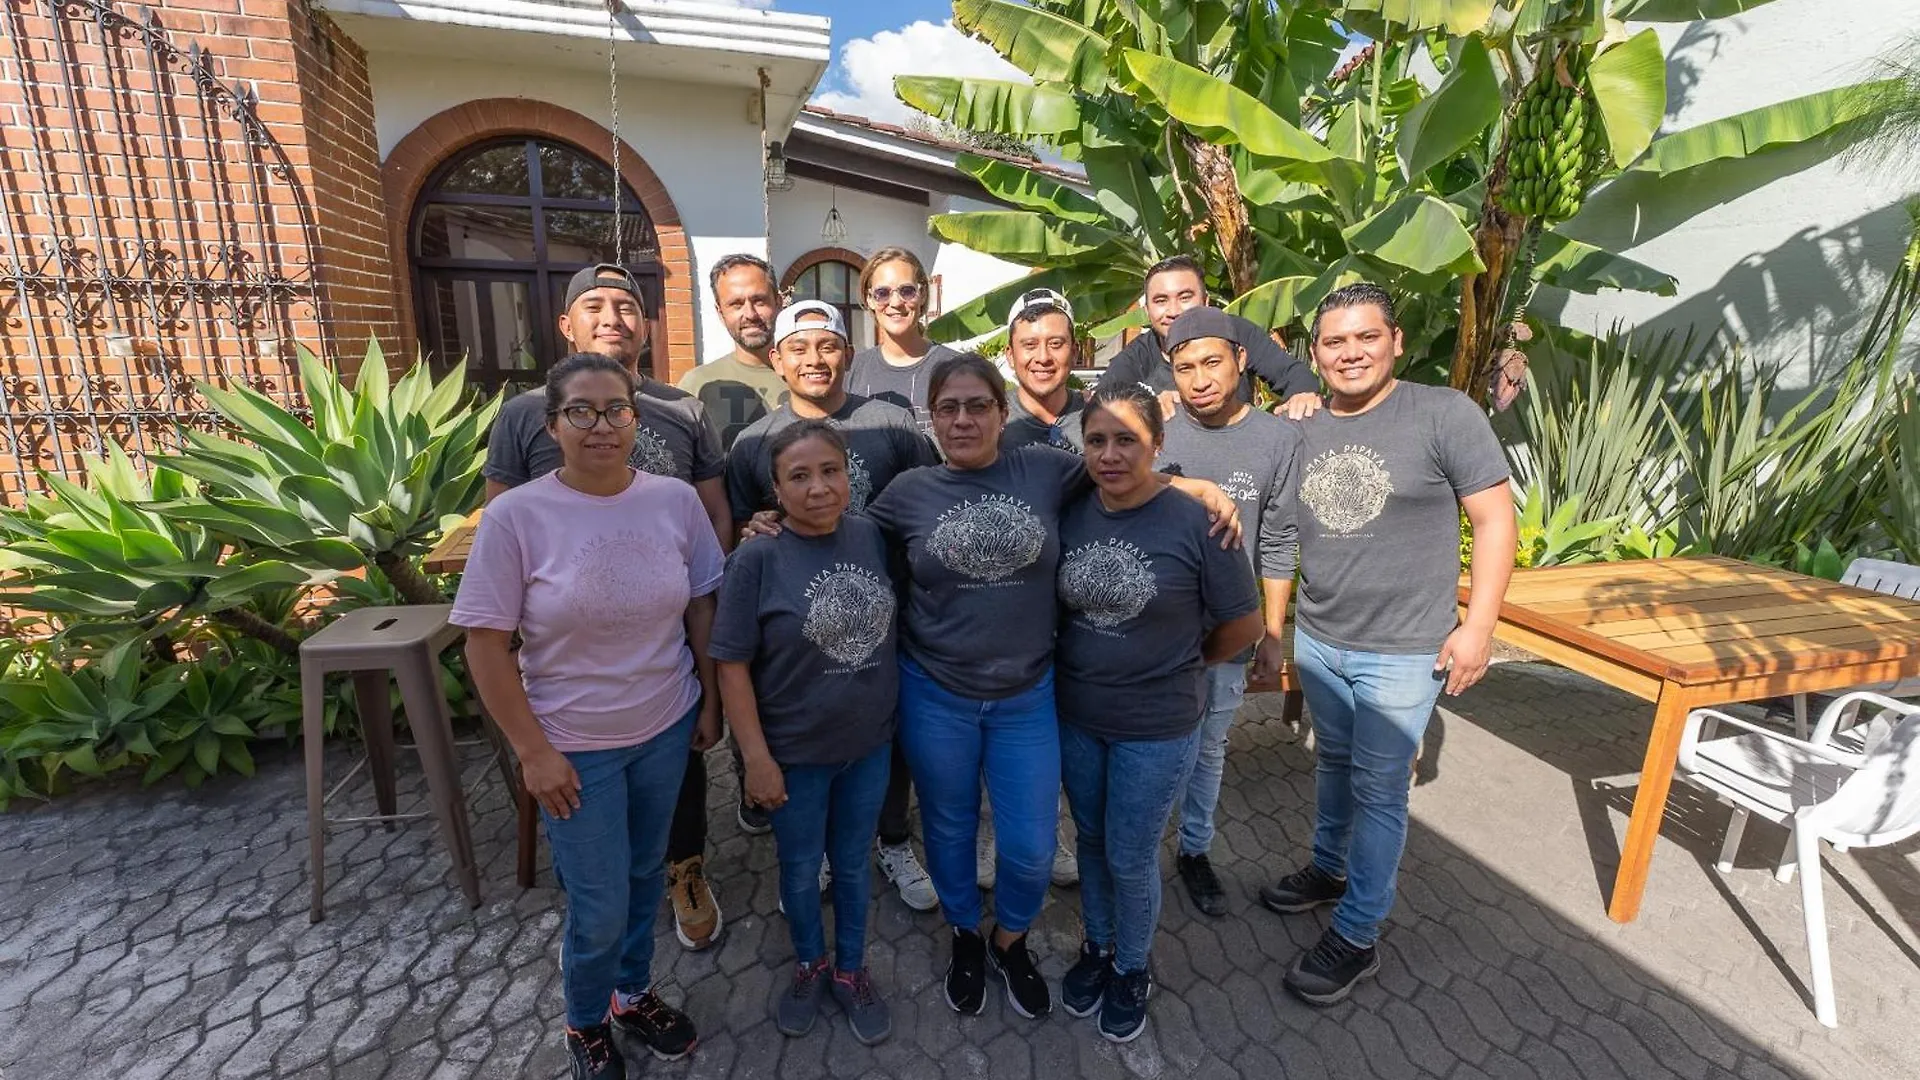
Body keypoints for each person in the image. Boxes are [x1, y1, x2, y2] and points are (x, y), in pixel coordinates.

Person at [862, 353, 1243, 1021]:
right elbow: (843, 533)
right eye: (948, 408)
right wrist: (771, 525)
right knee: (948, 828)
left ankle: (1010, 939)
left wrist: (1202, 487)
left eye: (978, 405)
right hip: (937, 693)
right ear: (932, 418)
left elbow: (1126, 475)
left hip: (1027, 697)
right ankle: (963, 936)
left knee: (1035, 844)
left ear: (1001, 414)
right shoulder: (908, 492)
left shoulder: (1044, 469)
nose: (962, 419)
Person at [454, 353, 722, 1080]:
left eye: (617, 411)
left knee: (643, 876)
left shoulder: (674, 501)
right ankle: (583, 1021)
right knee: (599, 902)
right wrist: (532, 753)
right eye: (583, 411)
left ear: (636, 420)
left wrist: (709, 699)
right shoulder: (517, 515)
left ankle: (632, 995)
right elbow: (484, 642)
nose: (601, 425)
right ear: (552, 425)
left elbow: (701, 602)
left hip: (665, 725)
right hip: (575, 747)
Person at [1257, 283, 1515, 1005]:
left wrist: (1479, 628)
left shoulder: (1443, 413)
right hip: (1324, 637)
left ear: (1395, 341)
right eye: (1334, 342)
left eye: (1365, 337)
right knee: (1332, 763)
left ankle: (1358, 933)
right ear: (1316, 355)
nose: (1351, 353)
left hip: (1404, 649)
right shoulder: (1301, 427)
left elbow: (1495, 523)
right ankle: (1327, 868)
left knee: (1378, 792)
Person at [481, 263, 731, 953]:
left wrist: (707, 593)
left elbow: (712, 512)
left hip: (668, 610)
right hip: (571, 627)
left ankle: (684, 869)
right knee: (590, 790)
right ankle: (602, 892)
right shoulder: (523, 413)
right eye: (594, 305)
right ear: (566, 324)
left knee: (680, 755)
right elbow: (498, 514)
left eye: (628, 305)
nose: (613, 316)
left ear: (648, 325)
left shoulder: (684, 408)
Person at [1055, 383, 1264, 1043]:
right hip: (1079, 714)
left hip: (1159, 721)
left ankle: (1132, 967)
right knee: (1090, 841)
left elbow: (1244, 624)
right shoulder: (1071, 508)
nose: (1110, 454)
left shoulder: (1198, 520)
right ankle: (1098, 945)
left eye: (1127, 440)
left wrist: (1188, 663)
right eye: (1097, 440)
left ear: (1158, 444)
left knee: (1130, 851)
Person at [727, 300, 942, 914]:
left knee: (886, 736)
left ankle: (893, 840)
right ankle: (816, 848)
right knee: (809, 750)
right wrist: (755, 526)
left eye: (827, 346)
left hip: (886, 616)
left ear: (848, 354)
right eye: (799, 348)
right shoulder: (752, 443)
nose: (814, 359)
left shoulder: (892, 424)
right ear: (777, 359)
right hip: (798, 636)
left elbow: (926, 504)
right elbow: (743, 526)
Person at [711, 420, 900, 1047]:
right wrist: (757, 759)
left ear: (849, 475)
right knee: (798, 871)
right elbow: (732, 665)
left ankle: (849, 968)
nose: (818, 488)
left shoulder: (872, 537)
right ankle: (808, 963)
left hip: (867, 747)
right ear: (775, 488)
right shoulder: (756, 557)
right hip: (794, 755)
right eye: (800, 476)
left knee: (851, 866)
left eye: (830, 471)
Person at [1151, 307, 1303, 919]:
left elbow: (1279, 538)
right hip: (1156, 627)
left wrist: (1271, 632)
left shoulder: (1276, 439)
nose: (1199, 380)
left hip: (1232, 629)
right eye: (1184, 368)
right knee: (1151, 745)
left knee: (1211, 744)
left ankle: (1195, 849)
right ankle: (1131, 852)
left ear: (1242, 361)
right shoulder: (1158, 430)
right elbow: (1113, 478)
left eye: (1212, 362)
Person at [1096, 254, 1322, 419]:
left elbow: (1294, 373)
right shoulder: (1139, 354)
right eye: (1161, 301)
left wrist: (1301, 398)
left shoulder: (1236, 332)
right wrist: (1147, 406)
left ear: (1206, 302)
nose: (1174, 311)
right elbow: (1104, 401)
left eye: (1185, 297)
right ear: (1147, 312)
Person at [678, 254, 788, 449]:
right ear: (720, 313)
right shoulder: (696, 386)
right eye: (736, 304)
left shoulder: (809, 374)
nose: (750, 314)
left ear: (778, 302)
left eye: (759, 301)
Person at [845, 247, 960, 430]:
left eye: (907, 291)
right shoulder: (851, 373)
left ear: (922, 294)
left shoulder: (957, 368)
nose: (896, 302)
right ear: (869, 299)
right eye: (882, 293)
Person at [999, 287, 1085, 454]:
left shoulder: (1101, 417)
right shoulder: (989, 421)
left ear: (1074, 352)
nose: (1043, 357)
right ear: (1010, 355)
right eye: (1030, 345)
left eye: (1055, 344)